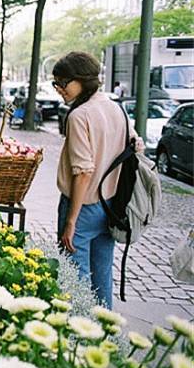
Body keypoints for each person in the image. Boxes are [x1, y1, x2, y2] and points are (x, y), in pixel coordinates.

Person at [53, 51, 141, 307]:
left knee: (75, 279)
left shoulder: (79, 116)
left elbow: (83, 172)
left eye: (63, 82)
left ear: (82, 79)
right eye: (55, 83)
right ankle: (105, 336)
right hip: (111, 205)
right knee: (102, 276)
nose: (59, 89)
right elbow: (138, 145)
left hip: (82, 206)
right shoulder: (116, 109)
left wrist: (71, 220)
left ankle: (79, 338)